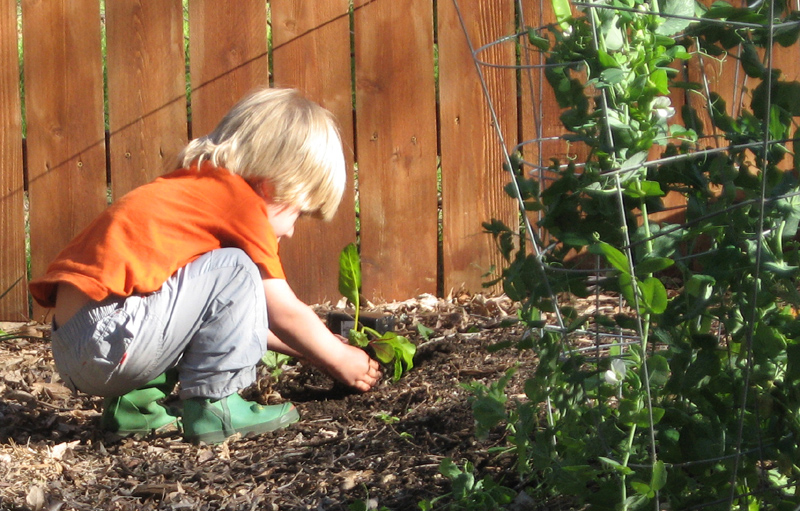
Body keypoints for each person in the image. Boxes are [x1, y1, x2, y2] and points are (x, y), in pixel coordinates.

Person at [29, 87, 382, 444]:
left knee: (193, 275)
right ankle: (215, 407)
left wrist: (311, 350)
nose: (291, 231)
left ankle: (134, 408)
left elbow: (225, 319)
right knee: (237, 267)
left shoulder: (194, 194)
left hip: (79, 345)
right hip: (112, 337)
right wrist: (340, 358)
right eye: (298, 213)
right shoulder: (241, 205)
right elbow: (283, 311)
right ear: (270, 186)